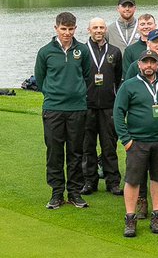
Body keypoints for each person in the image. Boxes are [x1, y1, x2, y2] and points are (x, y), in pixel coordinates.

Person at [114, 49, 158, 237]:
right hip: (137, 143)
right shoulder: (129, 85)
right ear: (139, 65)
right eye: (145, 62)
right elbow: (118, 112)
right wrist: (126, 140)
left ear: (157, 64)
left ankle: (157, 216)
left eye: (152, 62)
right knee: (133, 181)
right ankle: (130, 219)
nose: (149, 66)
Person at [34, 12, 91, 209]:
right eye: (63, 29)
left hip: (77, 108)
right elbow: (40, 80)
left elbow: (87, 76)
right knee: (54, 152)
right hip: (53, 109)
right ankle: (57, 193)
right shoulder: (45, 52)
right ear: (56, 28)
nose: (67, 33)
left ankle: (74, 192)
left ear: (75, 28)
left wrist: (76, 93)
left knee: (76, 152)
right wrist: (54, 95)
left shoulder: (82, 50)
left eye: (70, 29)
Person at [83, 17, 123, 196]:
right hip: (87, 106)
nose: (98, 30)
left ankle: (113, 182)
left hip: (108, 106)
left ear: (106, 29)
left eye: (101, 27)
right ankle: (89, 182)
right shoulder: (82, 51)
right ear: (88, 30)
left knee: (109, 146)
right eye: (95, 27)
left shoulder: (114, 51)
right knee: (87, 146)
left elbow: (118, 78)